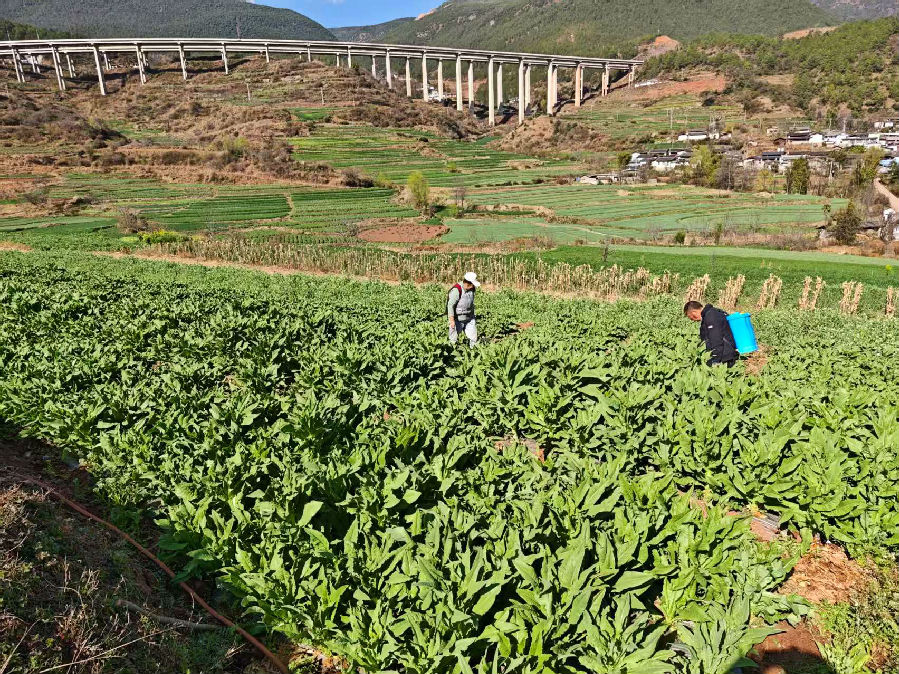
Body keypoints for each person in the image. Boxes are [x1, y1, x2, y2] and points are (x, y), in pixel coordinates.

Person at [684, 301, 739, 367]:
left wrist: (716, 359)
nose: (692, 320)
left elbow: (716, 338)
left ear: (694, 312)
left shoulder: (711, 316)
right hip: (723, 354)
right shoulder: (709, 314)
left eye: (690, 317)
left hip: (724, 357)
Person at [448, 272, 480, 347]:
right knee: (453, 339)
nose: (473, 286)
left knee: (473, 338)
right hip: (457, 319)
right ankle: (451, 352)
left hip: (470, 318)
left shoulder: (472, 289)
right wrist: (452, 320)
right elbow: (450, 305)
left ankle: (473, 351)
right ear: (468, 284)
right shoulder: (456, 290)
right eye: (472, 284)